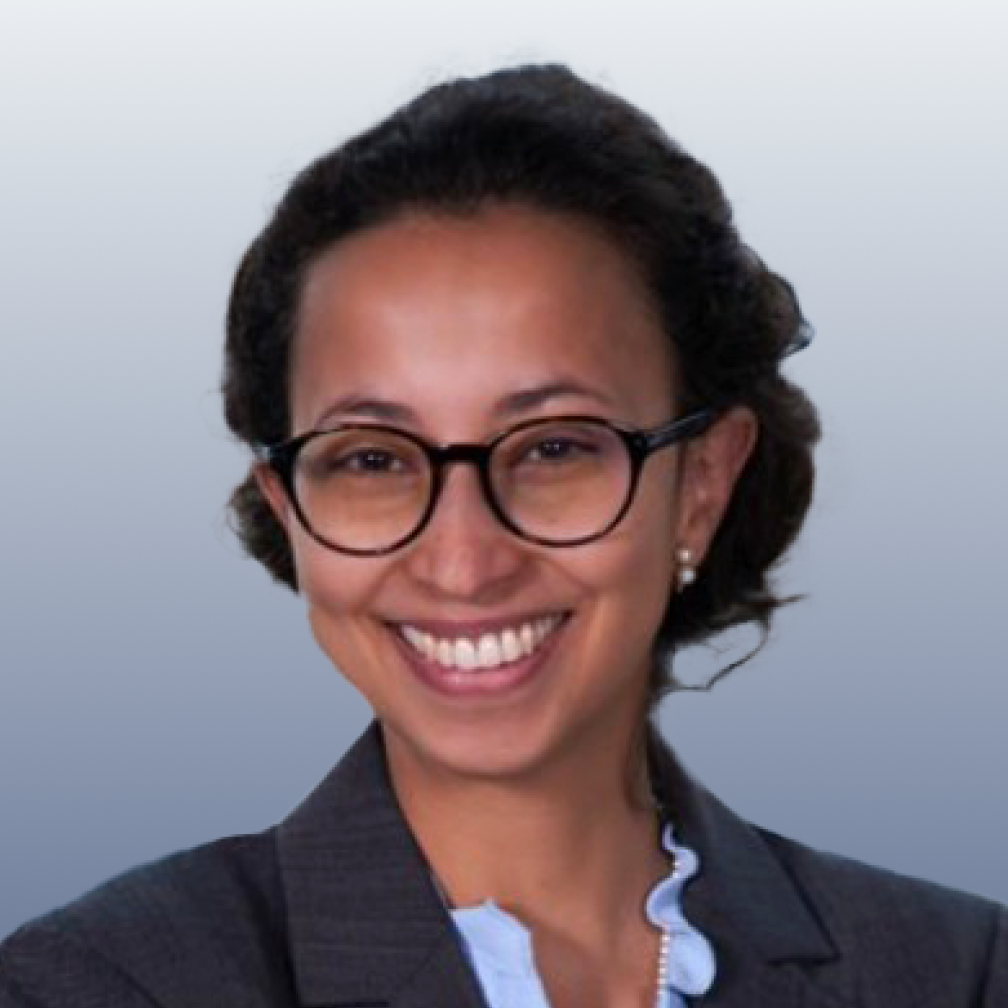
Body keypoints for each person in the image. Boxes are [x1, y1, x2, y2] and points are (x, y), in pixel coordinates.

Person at [1, 64, 1004, 1008]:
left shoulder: (959, 974)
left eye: (555, 448)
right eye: (372, 459)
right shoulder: (104, 984)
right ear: (286, 504)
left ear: (701, 484)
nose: (464, 561)